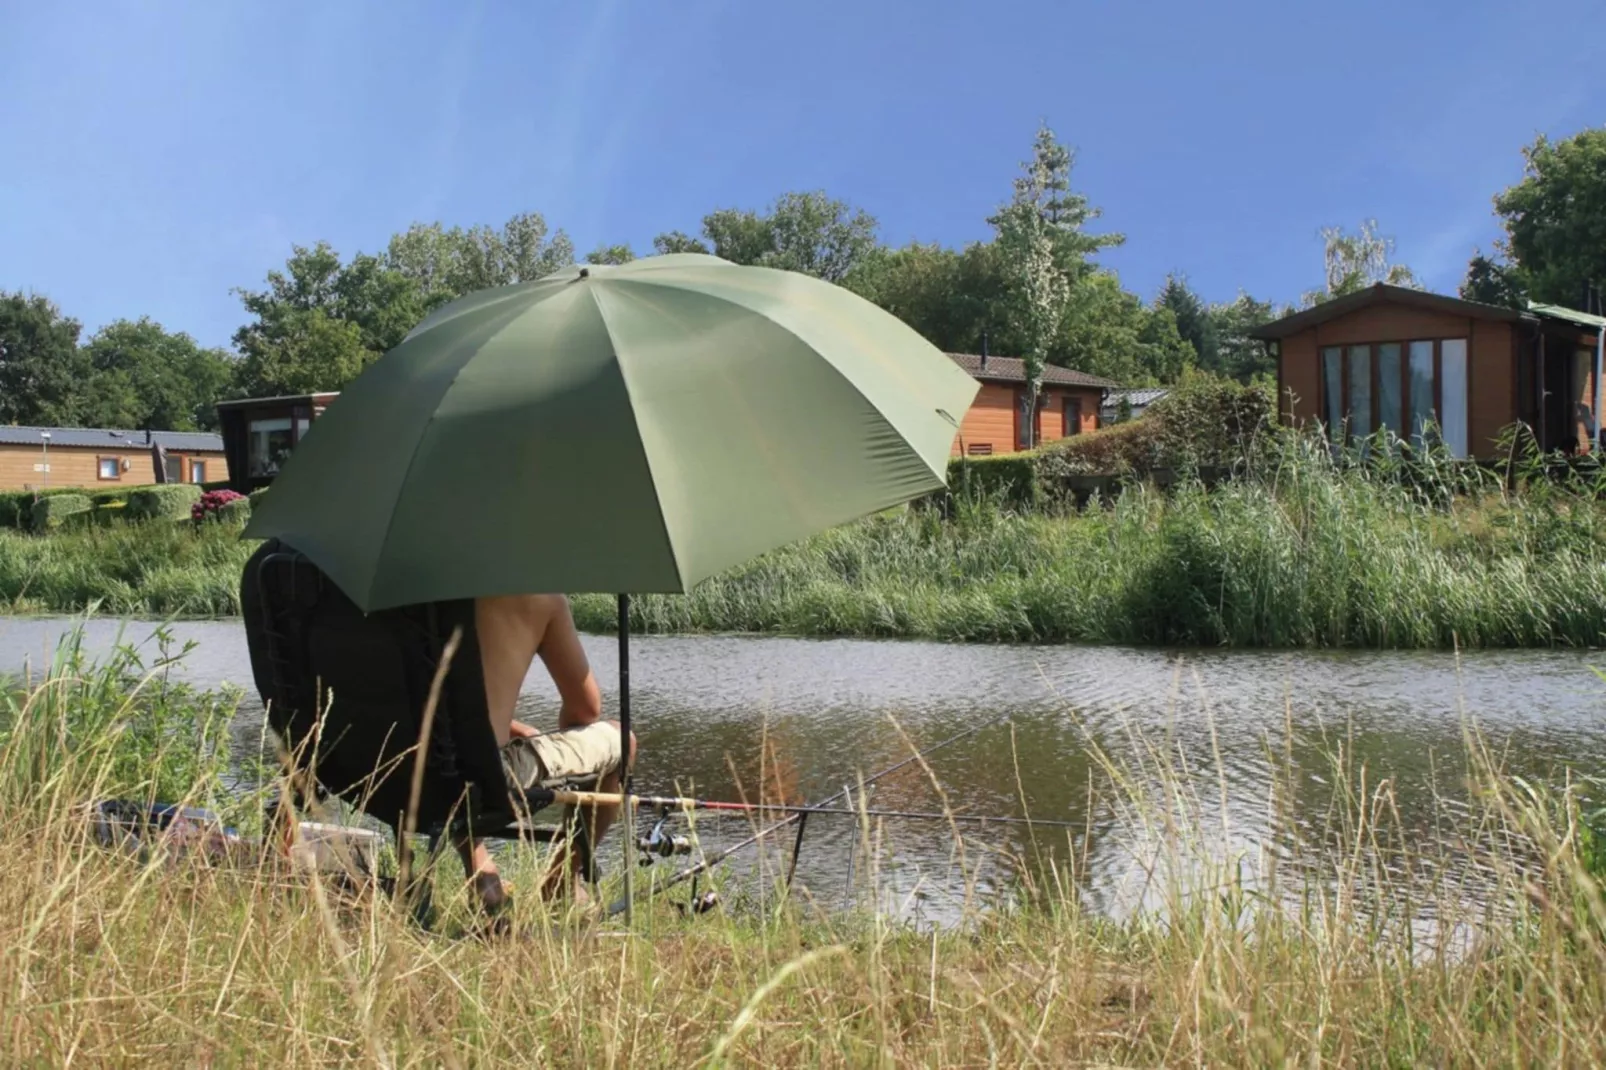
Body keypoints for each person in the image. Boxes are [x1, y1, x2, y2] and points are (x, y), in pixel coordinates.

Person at [457, 592, 636, 913]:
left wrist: (512, 725)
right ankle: (561, 880)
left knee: (449, 763)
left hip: (395, 770)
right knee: (623, 741)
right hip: (491, 775)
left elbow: (439, 707)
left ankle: (480, 869)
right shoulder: (538, 596)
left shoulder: (400, 592)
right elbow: (584, 710)